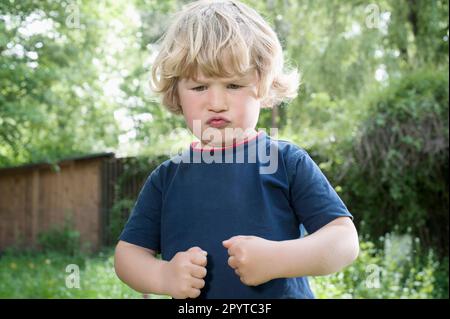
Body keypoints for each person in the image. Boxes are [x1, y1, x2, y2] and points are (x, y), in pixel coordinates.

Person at [114, 0, 359, 299]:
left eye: (233, 85)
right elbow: (127, 256)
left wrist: (277, 259)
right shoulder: (166, 179)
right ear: (176, 93)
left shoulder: (286, 163)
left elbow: (344, 242)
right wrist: (163, 276)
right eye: (199, 87)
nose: (216, 102)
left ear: (263, 86)